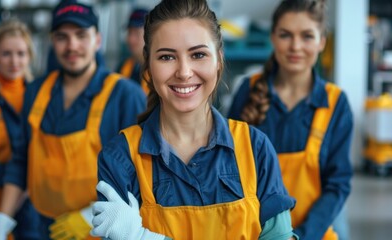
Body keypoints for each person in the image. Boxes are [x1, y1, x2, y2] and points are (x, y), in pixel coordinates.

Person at [91, 0, 297, 239]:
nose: (184, 72)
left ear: (218, 60)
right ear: (148, 64)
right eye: (167, 57)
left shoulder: (255, 148)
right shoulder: (120, 158)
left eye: (198, 54)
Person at [0, 0, 146, 239]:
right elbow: (21, 161)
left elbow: (140, 175)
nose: (72, 46)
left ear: (98, 40)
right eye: (62, 37)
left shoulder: (125, 95)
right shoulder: (35, 92)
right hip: (36, 227)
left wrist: (89, 215)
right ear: (53, 42)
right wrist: (1, 224)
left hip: (97, 229)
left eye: (81, 35)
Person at [228, 0, 353, 239]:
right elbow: (229, 168)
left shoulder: (336, 103)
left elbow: (337, 184)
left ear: (321, 42)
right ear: (273, 38)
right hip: (258, 229)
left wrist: (303, 235)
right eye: (285, 35)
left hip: (315, 229)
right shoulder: (248, 90)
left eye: (307, 36)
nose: (295, 46)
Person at [0, 19, 40, 240]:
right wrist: (22, 179)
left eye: (21, 53)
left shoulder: (42, 97)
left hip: (35, 210)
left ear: (29, 56)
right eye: (7, 53)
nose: (14, 61)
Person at [117, 8, 150, 94]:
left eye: (136, 33)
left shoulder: (158, 71)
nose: (131, 39)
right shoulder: (123, 66)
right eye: (129, 33)